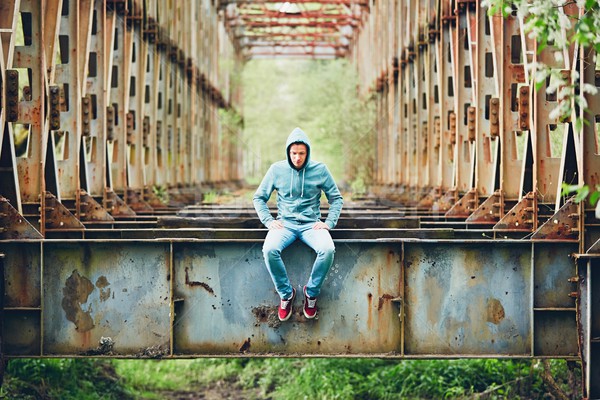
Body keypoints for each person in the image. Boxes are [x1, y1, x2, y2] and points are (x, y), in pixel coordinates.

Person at [253, 127, 344, 322]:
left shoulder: (320, 170)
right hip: (284, 225)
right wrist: (269, 221)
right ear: (288, 152)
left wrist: (329, 223)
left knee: (327, 249)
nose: (297, 158)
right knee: (269, 249)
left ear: (307, 152)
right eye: (293, 153)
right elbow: (259, 197)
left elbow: (336, 198)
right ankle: (286, 294)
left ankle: (311, 293)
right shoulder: (276, 170)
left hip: (311, 225)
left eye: (301, 153)